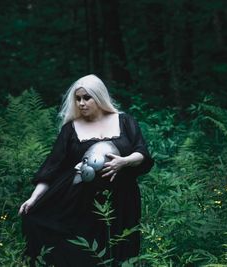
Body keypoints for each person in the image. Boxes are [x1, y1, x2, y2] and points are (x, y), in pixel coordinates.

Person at [19, 74, 154, 266]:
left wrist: (123, 162)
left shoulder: (124, 121)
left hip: (122, 199)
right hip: (80, 202)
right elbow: (51, 167)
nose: (81, 103)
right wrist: (34, 198)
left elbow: (142, 153)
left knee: (119, 250)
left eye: (86, 98)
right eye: (78, 98)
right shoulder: (71, 129)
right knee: (83, 252)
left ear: (99, 97)